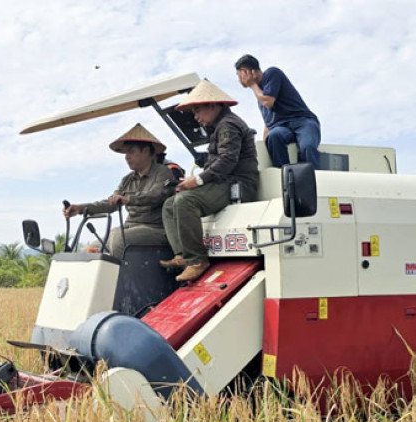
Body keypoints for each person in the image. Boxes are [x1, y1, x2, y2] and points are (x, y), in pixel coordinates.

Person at [161, 79, 259, 282]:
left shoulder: (228, 126)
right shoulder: (221, 127)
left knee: (185, 201)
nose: (196, 117)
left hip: (237, 184)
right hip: (225, 182)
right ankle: (182, 255)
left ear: (213, 105)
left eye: (197, 110)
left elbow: (227, 161)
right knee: (170, 205)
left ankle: (196, 260)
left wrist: (196, 180)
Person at [64, 123, 177, 259]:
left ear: (146, 151)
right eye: (125, 153)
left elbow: (157, 194)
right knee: (90, 248)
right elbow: (111, 202)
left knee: (118, 240)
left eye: (131, 152)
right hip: (129, 228)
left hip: (156, 228)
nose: (126, 157)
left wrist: (129, 199)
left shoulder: (163, 172)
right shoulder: (127, 180)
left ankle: (123, 279)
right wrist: (81, 208)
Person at [235, 54, 321, 169]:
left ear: (247, 72)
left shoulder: (272, 74)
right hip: (282, 128)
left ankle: (312, 179)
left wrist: (252, 85)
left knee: (307, 147)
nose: (239, 80)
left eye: (239, 75)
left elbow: (268, 102)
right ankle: (286, 176)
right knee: (274, 136)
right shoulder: (260, 95)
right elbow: (268, 124)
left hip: (302, 121)